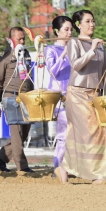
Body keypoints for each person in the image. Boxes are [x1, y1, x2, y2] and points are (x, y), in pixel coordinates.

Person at [55, 10, 106, 185]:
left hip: (95, 93)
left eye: (93, 21)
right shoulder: (74, 43)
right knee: (85, 132)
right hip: (78, 92)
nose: (92, 24)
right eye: (87, 21)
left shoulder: (100, 45)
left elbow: (104, 72)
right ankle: (94, 173)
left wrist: (105, 96)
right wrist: (91, 49)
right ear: (78, 25)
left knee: (98, 132)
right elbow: (76, 65)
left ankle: (68, 168)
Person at [0, 27, 34, 173]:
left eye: (23, 39)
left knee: (23, 135)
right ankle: (22, 167)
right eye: (18, 39)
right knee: (17, 135)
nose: (22, 41)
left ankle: (1, 157)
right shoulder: (4, 57)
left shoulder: (26, 54)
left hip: (26, 98)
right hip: (11, 98)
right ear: (11, 39)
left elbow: (29, 77)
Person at [45, 15, 73, 169]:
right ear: (57, 31)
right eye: (66, 29)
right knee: (64, 134)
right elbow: (53, 71)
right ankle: (58, 167)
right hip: (59, 96)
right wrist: (63, 55)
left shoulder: (74, 49)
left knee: (75, 133)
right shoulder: (50, 49)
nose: (70, 33)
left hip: (73, 94)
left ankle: (69, 167)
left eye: (71, 30)